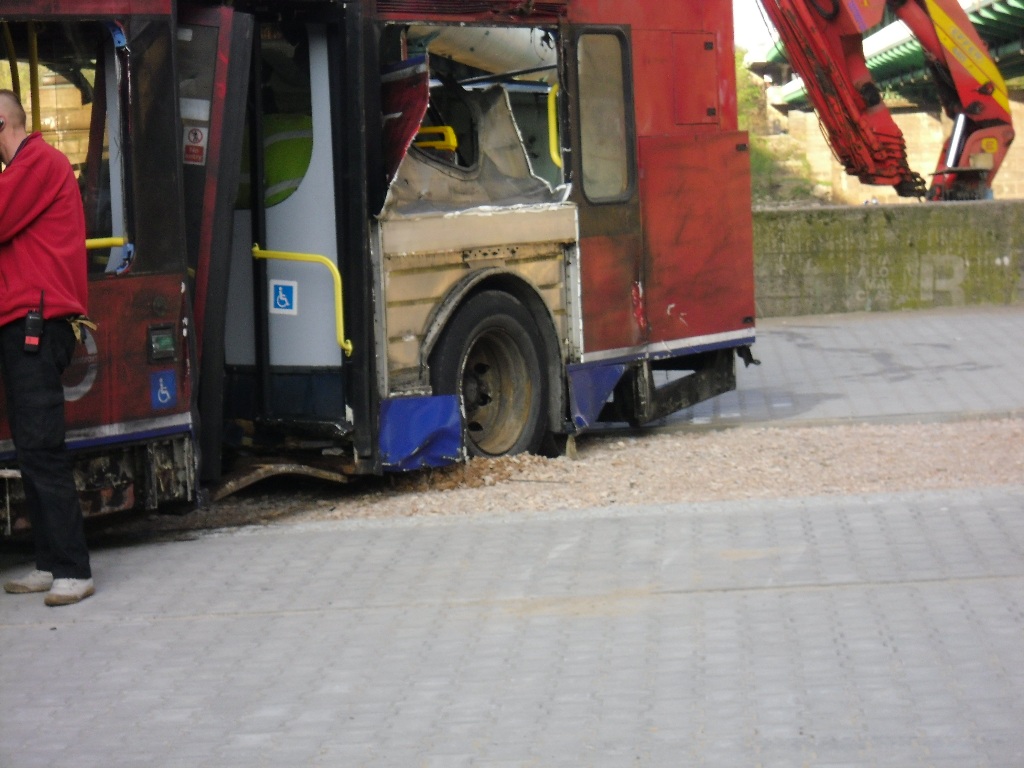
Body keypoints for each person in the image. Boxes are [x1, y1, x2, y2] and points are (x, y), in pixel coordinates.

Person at [0, 89, 94, 606]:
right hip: (23, 324)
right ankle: (50, 562)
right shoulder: (26, 171)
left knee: (42, 447)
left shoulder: (36, 162)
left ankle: (73, 569)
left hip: (35, 324)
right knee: (31, 449)